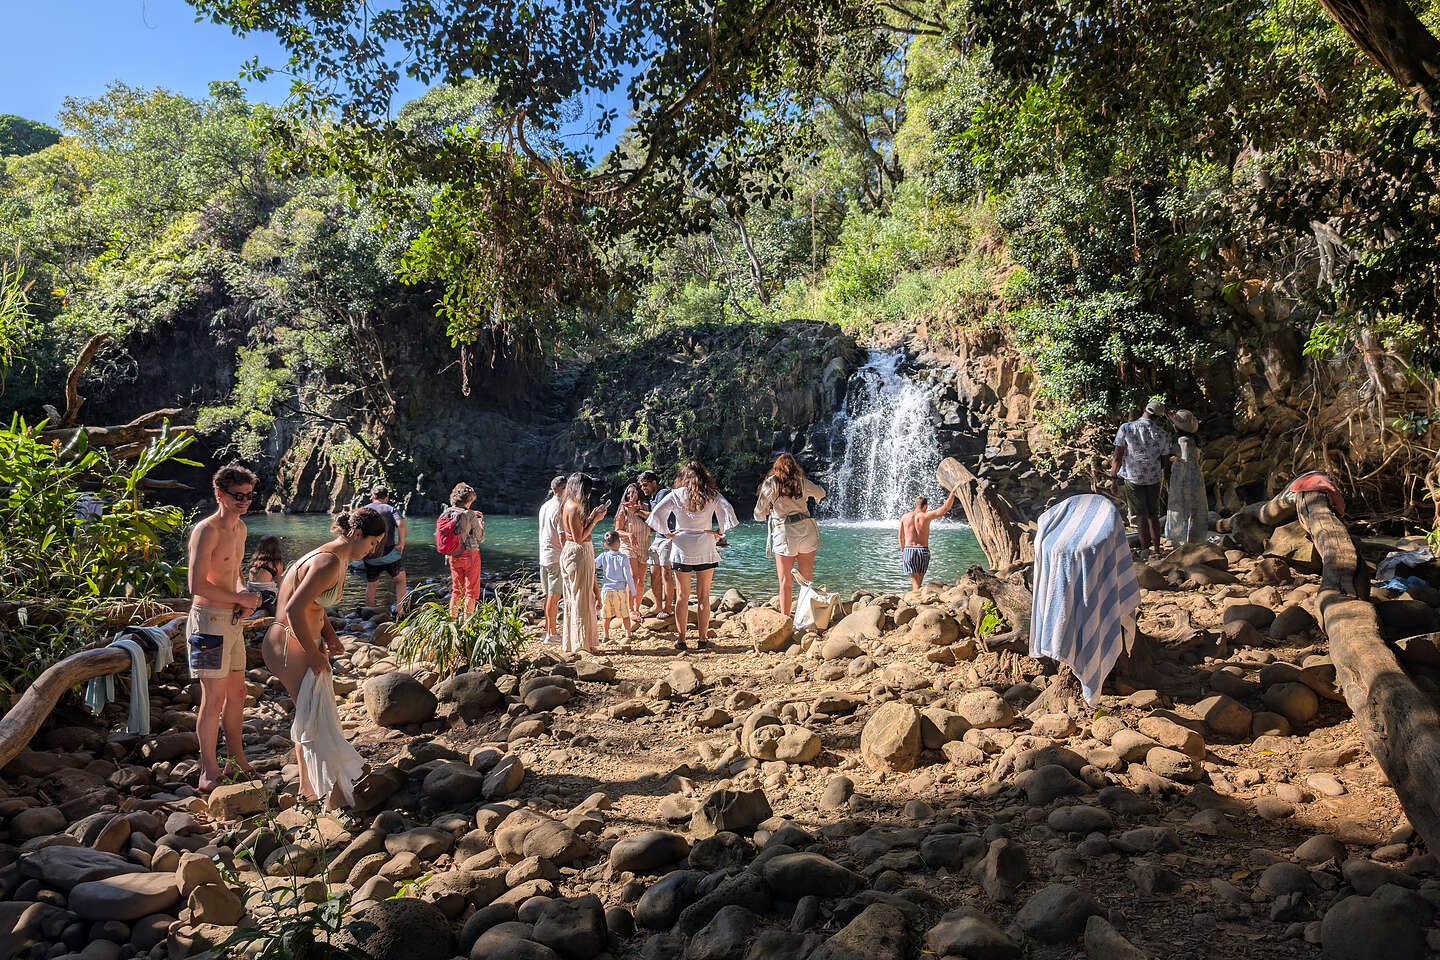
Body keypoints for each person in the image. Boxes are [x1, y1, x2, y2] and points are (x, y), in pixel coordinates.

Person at [261, 508, 386, 807]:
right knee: (315, 718)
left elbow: (314, 607)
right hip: (289, 643)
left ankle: (309, 787)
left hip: (301, 640)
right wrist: (314, 653)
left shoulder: (337, 557)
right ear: (357, 535)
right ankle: (330, 795)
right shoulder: (328, 560)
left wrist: (328, 635)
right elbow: (293, 608)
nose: (373, 550)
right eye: (372, 543)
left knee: (310, 716)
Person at [186, 463, 263, 792]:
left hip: (231, 621)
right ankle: (208, 771)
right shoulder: (207, 530)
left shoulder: (241, 528)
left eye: (248, 495)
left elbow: (235, 572)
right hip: (206, 621)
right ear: (219, 494)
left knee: (239, 693)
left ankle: (237, 760)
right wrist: (238, 596)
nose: (244, 501)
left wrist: (244, 596)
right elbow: (195, 584)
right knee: (213, 697)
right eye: (237, 495)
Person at [648, 460, 738, 649]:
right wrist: (719, 531)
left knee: (682, 596)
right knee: (704, 596)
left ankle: (681, 640)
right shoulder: (711, 494)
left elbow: (655, 514)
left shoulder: (676, 494)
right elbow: (727, 508)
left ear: (684, 477)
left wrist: (666, 532)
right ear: (704, 475)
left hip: (682, 546)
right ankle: (702, 639)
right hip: (705, 545)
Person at [754, 453, 826, 617]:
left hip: (784, 533)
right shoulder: (802, 482)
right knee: (806, 581)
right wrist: (812, 498)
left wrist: (767, 511)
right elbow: (821, 493)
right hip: (806, 531)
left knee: (786, 582)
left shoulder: (771, 484)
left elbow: (758, 512)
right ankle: (806, 618)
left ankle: (786, 619)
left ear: (776, 469)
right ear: (795, 467)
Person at [1109, 399, 1176, 557]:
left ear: (1145, 410)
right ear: (1158, 417)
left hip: (1133, 478)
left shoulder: (1126, 428)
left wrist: (1113, 479)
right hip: (1153, 477)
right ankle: (1158, 550)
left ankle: (1145, 550)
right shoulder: (1163, 434)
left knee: (1140, 515)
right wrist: (1151, 467)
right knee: (1153, 515)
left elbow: (1117, 457)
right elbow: (1165, 462)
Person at [558, 473, 609, 654]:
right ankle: (581, 644)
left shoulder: (568, 504)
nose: (588, 495)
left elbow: (576, 532)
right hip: (578, 553)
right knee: (581, 599)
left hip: (571, 552)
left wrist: (590, 518)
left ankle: (575, 642)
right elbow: (579, 538)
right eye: (587, 490)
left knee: (575, 598)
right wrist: (594, 522)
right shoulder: (573, 507)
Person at [898, 487, 958, 591]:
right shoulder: (926, 516)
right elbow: (945, 508)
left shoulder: (905, 517)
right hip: (923, 550)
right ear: (925, 506)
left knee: (914, 581)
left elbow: (900, 536)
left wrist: (903, 550)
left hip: (909, 550)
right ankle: (918, 599)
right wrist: (952, 492)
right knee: (920, 579)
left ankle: (914, 600)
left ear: (914, 505)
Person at [357, 484, 407, 610]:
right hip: (390, 554)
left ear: (372, 497)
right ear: (387, 497)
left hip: (370, 555)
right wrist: (401, 543)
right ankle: (399, 610)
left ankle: (368, 613)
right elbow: (401, 524)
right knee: (400, 580)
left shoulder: (364, 510)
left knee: (372, 584)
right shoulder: (391, 509)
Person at [1164, 409, 1209, 545]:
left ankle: (1178, 541)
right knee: (1196, 507)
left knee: (1179, 506)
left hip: (1183, 477)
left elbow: (1184, 459)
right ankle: (1196, 541)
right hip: (1195, 477)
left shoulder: (1183, 440)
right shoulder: (1193, 440)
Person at [441, 482, 486, 616]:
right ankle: (467, 628)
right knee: (471, 592)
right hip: (470, 555)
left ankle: (452, 625)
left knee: (457, 590)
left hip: (453, 555)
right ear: (468, 500)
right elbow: (480, 537)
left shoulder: (446, 512)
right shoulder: (471, 515)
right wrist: (480, 525)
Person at [637, 470, 677, 617]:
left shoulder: (663, 493)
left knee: (666, 572)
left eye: (645, 484)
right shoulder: (652, 498)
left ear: (654, 483)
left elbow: (656, 516)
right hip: (659, 537)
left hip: (669, 536)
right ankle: (657, 606)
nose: (643, 488)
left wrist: (638, 511)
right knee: (654, 573)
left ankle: (668, 608)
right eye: (641, 486)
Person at [537, 476, 566, 644]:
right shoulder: (560, 508)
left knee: (549, 596)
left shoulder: (544, 506)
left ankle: (548, 630)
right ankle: (551, 634)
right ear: (563, 489)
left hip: (544, 556)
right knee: (554, 597)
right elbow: (562, 537)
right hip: (555, 556)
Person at [614, 483, 651, 616]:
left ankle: (637, 608)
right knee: (633, 576)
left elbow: (654, 520)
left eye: (633, 493)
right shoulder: (622, 510)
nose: (630, 495)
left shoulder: (645, 507)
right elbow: (617, 531)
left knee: (641, 579)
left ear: (638, 494)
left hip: (644, 544)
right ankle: (629, 609)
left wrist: (638, 511)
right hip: (628, 545)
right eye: (628, 493)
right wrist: (629, 535)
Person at [595, 530, 637, 642]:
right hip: (620, 590)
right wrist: (633, 591)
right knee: (625, 614)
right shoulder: (623, 557)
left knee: (606, 615)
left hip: (606, 590)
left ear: (605, 545)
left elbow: (593, 565)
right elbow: (628, 576)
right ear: (619, 542)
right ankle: (628, 634)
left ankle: (606, 636)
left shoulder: (603, 556)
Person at [246, 535, 285, 617]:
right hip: (265, 596)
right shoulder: (276, 563)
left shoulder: (254, 560)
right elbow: (280, 583)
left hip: (250, 592)